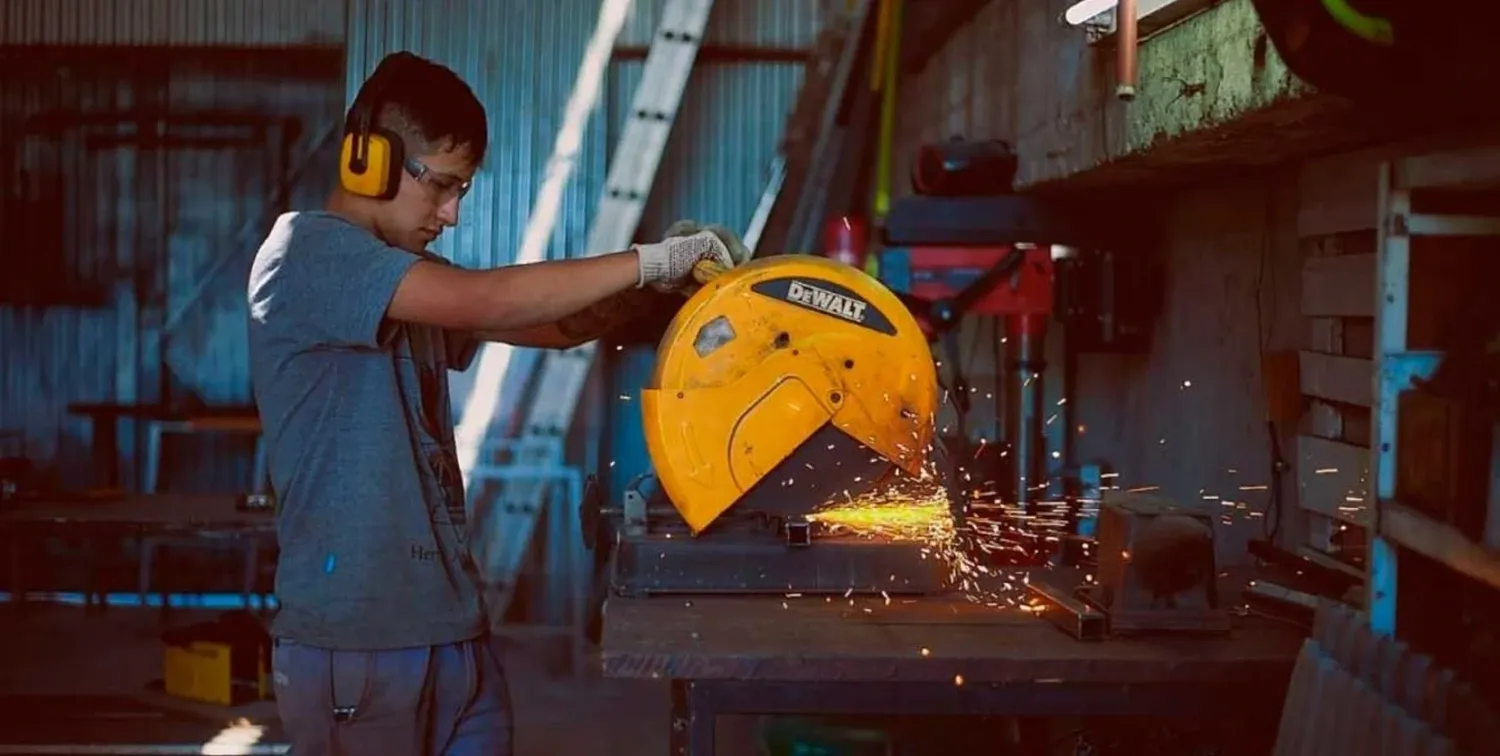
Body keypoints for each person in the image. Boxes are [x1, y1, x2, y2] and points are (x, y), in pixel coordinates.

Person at [247, 51, 746, 756]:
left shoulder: (409, 280)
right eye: (441, 186)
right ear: (369, 161)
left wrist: (649, 290)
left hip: (453, 631)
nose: (450, 214)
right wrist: (648, 259)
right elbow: (485, 298)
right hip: (358, 643)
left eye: (463, 191)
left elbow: (546, 326)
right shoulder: (304, 253)